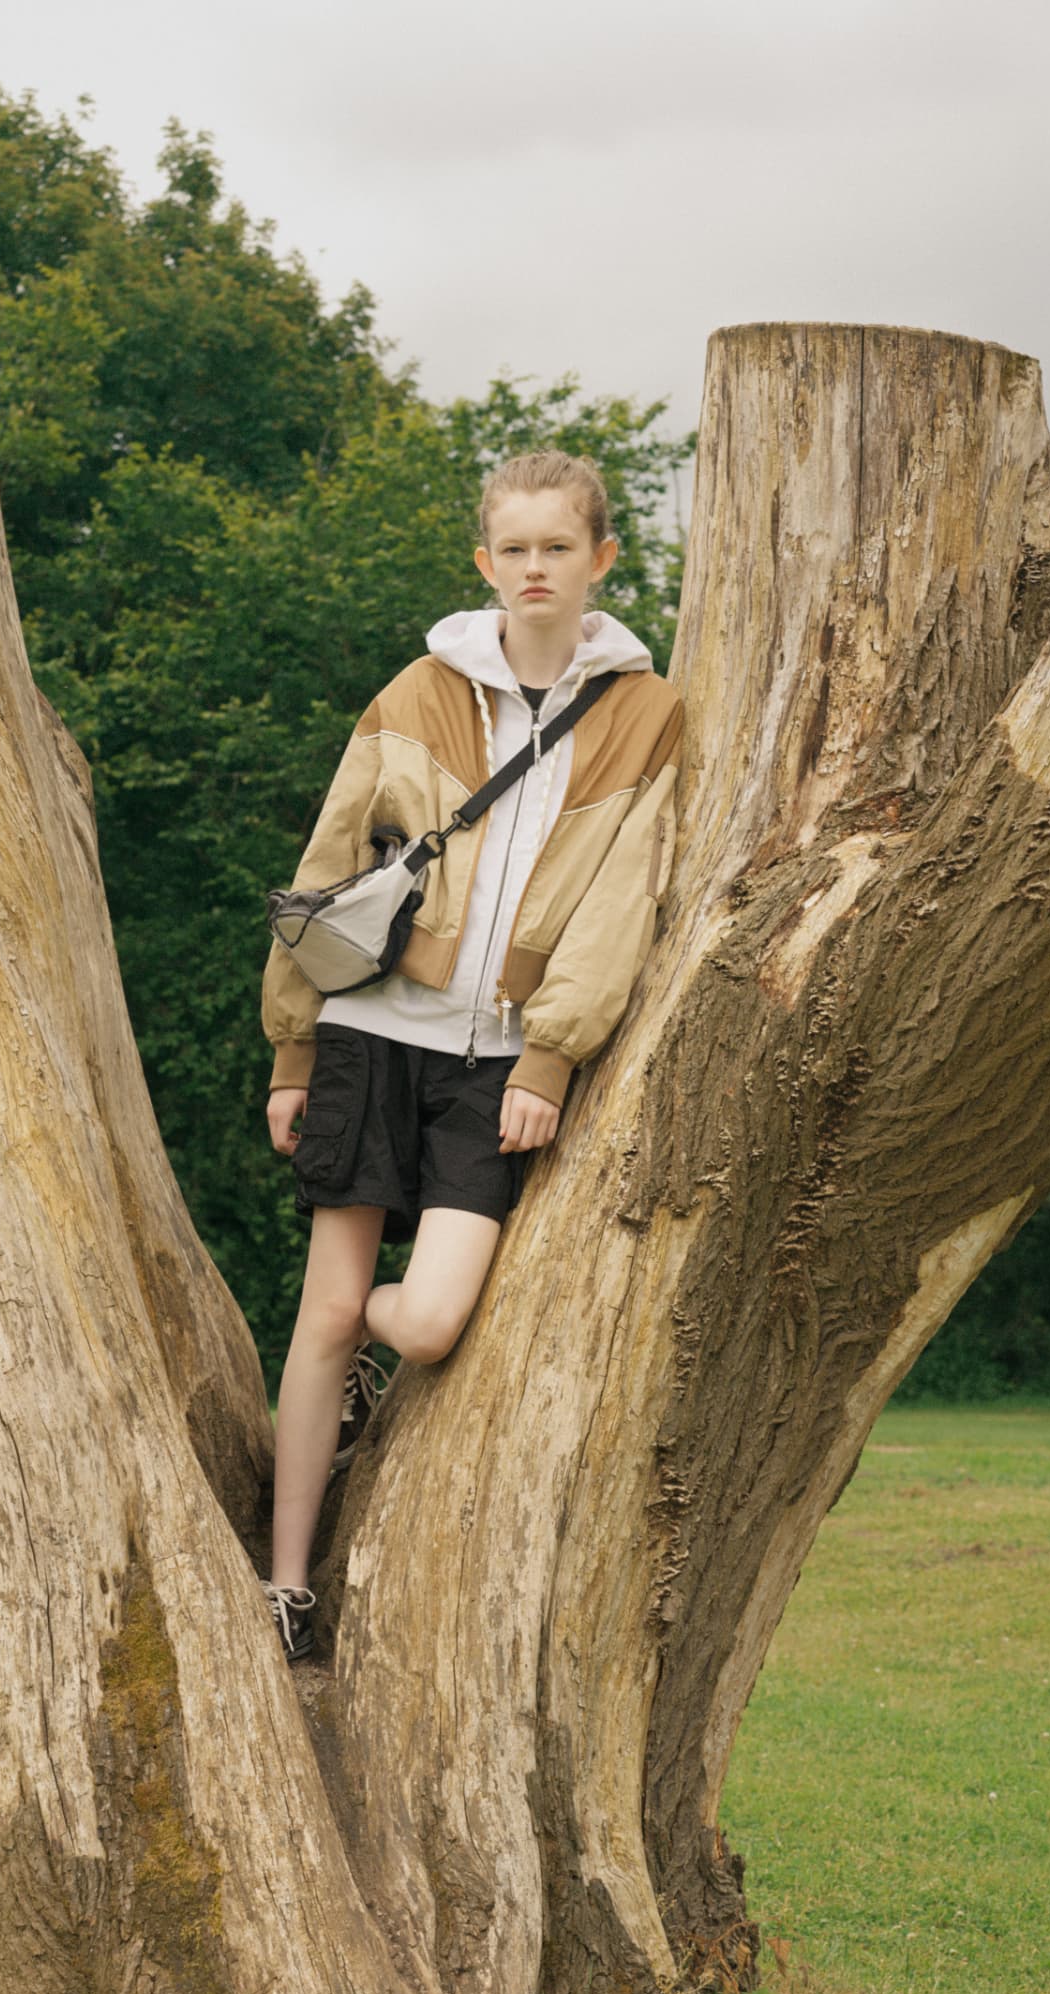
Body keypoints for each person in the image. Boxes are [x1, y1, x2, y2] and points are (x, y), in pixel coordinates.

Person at [258, 449, 683, 1659]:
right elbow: (328, 861)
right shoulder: (417, 690)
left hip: (498, 1061)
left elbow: (620, 903)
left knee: (429, 1321)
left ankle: (356, 1374)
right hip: (371, 1030)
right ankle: (284, 1584)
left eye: (558, 546)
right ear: (483, 561)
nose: (534, 567)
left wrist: (548, 1060)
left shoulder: (646, 714)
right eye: (515, 548)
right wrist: (292, 1046)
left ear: (600, 558)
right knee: (326, 1312)